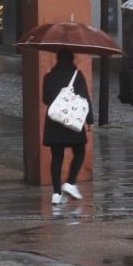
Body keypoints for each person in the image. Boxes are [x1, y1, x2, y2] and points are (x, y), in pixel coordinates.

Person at [42, 49, 92, 205]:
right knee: (79, 151)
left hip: (55, 120)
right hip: (72, 120)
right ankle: (70, 183)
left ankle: (56, 194)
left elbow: (45, 99)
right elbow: (84, 99)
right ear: (71, 59)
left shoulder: (49, 77)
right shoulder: (77, 75)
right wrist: (89, 120)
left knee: (56, 157)